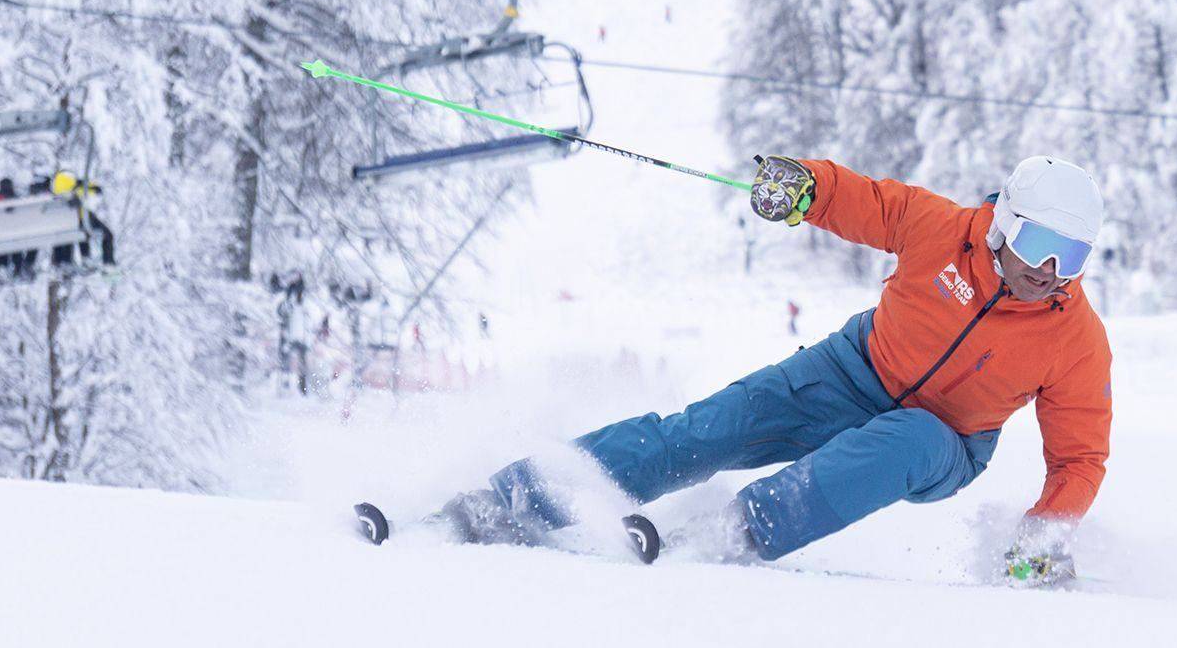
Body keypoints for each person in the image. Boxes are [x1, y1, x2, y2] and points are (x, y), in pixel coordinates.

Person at [428, 155, 1114, 585]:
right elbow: (859, 199)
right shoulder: (939, 228)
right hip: (850, 370)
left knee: (910, 438)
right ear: (1003, 224)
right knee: (709, 429)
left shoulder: (1075, 340)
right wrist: (803, 185)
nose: (1048, 271)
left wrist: (1044, 533)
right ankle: (514, 498)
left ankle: (737, 531)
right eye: (1039, 244)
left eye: (1070, 256)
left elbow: (1080, 458)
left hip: (947, 441)